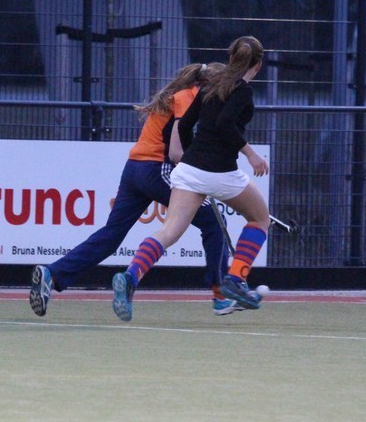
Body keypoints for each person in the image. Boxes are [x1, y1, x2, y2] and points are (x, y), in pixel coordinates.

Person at [29, 63, 243, 317]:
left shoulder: (179, 95)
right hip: (156, 169)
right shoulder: (189, 98)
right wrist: (202, 176)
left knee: (111, 235)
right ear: (208, 85)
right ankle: (220, 295)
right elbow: (176, 153)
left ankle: (52, 274)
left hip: (134, 169)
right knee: (213, 221)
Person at [112, 36, 270, 322]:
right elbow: (225, 124)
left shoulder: (210, 85)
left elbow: (185, 125)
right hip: (222, 172)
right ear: (257, 66)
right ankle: (235, 279)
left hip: (189, 170)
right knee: (260, 219)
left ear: (230, 56)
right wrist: (251, 154)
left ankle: (131, 276)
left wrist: (190, 160)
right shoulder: (243, 91)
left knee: (169, 231)